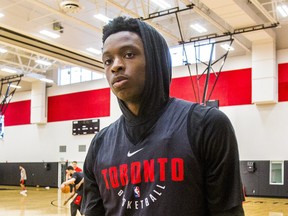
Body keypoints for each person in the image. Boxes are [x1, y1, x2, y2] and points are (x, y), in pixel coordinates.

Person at [82, 16, 245, 216]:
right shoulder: (99, 144)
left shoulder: (206, 125)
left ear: (155, 60)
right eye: (108, 61)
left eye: (129, 54)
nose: (115, 66)